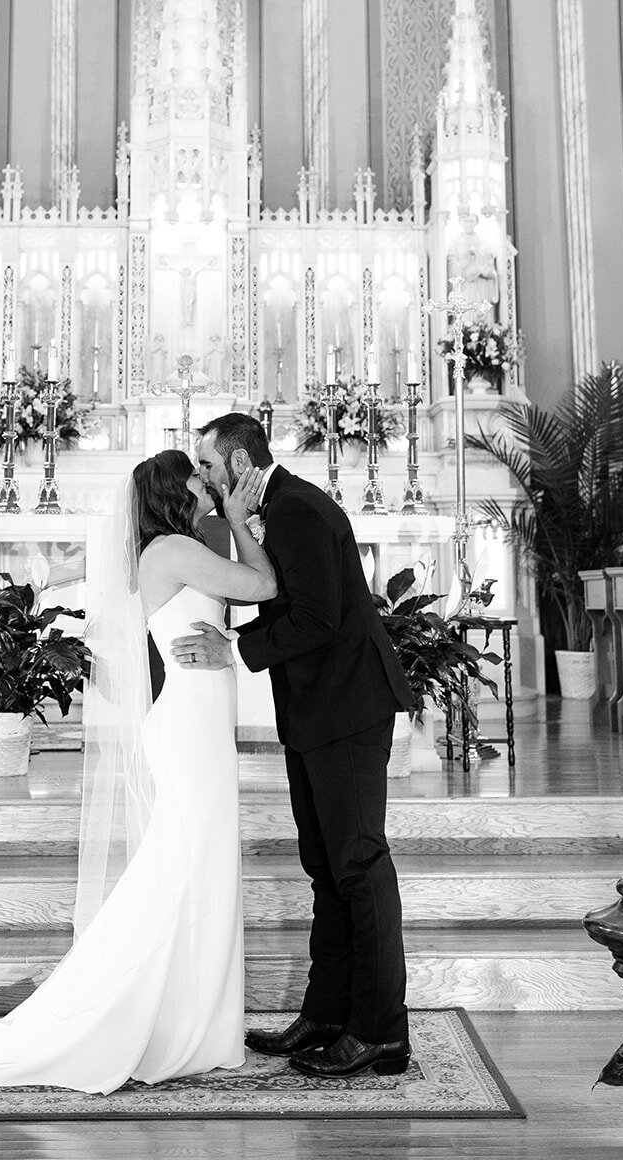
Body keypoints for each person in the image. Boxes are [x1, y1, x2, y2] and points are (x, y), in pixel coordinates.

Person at [0, 448, 274, 1091]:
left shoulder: (177, 548)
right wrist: (236, 516)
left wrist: (230, 529)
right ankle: (159, 1018)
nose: (207, 481)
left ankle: (192, 1020)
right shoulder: (174, 550)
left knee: (200, 863)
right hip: (188, 722)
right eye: (196, 475)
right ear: (174, 492)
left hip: (199, 721)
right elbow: (263, 586)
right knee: (184, 864)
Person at [177, 413, 414, 1079]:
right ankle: (327, 1014)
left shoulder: (298, 510)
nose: (201, 476)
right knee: (327, 867)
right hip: (318, 708)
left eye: (207, 465)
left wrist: (234, 648)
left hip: (346, 706)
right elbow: (288, 599)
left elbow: (318, 617)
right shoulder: (275, 508)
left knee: (359, 865)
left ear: (238, 463)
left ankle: (380, 1032)